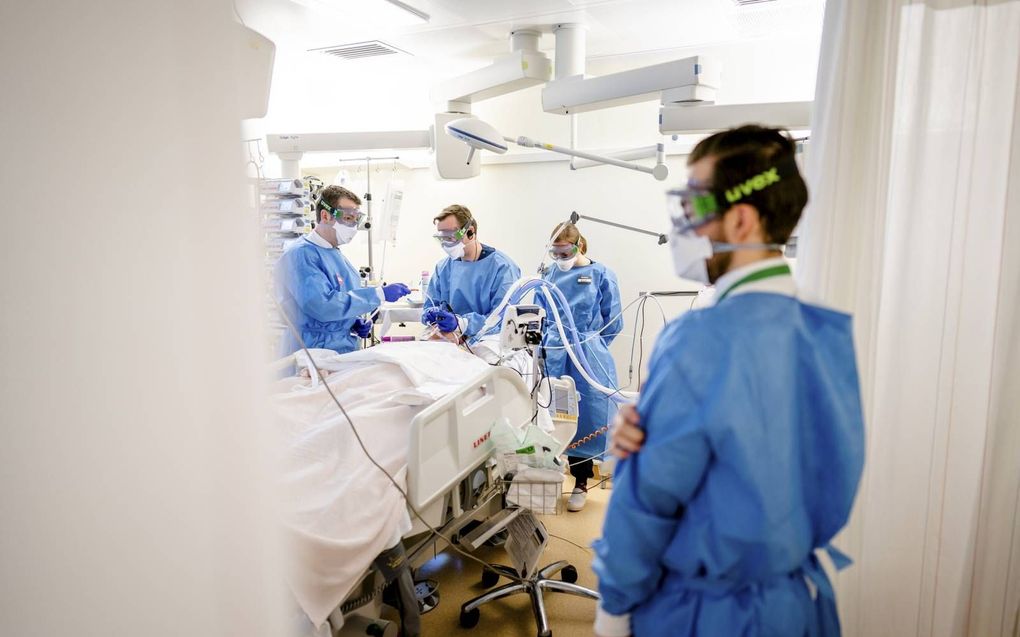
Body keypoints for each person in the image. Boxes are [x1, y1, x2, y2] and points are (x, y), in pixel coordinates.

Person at [592, 125, 865, 637]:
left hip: (707, 613)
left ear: (740, 220)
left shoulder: (699, 340)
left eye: (693, 209)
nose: (682, 227)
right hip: (795, 606)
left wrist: (614, 607)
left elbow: (646, 501)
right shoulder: (825, 334)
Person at [538, 223, 623, 512]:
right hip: (552, 352)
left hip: (587, 356)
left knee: (586, 418)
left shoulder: (600, 274)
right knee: (552, 415)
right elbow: (539, 313)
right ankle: (549, 476)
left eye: (565, 252)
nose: (560, 258)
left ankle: (581, 482)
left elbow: (614, 322)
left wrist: (589, 345)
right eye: (555, 253)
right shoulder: (548, 275)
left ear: (579, 247)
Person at [275, 185, 410, 357]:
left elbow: (342, 300)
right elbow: (322, 306)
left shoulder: (333, 252)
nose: (353, 226)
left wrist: (351, 323)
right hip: (311, 352)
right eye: (348, 218)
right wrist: (379, 294)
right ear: (325, 216)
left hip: (338, 349)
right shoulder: (300, 256)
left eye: (356, 219)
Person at [422, 204, 521, 341]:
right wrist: (430, 314)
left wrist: (463, 324)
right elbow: (431, 304)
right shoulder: (444, 267)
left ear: (470, 232)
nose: (445, 243)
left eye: (450, 237)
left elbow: (502, 319)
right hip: (449, 338)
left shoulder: (503, 268)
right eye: (441, 238)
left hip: (488, 340)